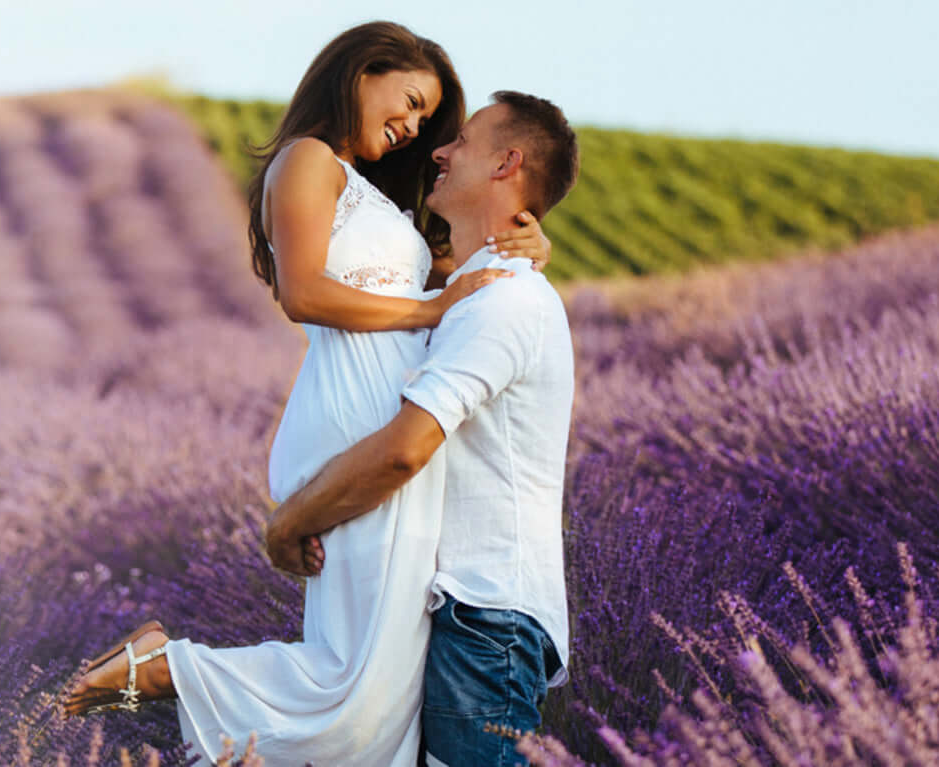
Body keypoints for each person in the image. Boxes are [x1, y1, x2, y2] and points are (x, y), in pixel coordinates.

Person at [57, 20, 549, 767]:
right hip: (358, 422)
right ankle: (159, 670)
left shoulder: (374, 197)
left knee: (378, 694)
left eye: (425, 118)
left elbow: (447, 283)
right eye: (411, 101)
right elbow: (304, 292)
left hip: (388, 416)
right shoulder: (308, 160)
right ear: (361, 73)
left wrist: (528, 244)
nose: (414, 126)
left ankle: (156, 674)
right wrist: (427, 308)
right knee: (356, 690)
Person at [262, 90, 581, 767]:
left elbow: (405, 451)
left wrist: (290, 523)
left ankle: (167, 671)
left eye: (461, 140)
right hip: (457, 611)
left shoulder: (505, 300)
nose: (437, 149)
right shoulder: (470, 293)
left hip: (483, 616)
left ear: (507, 164)